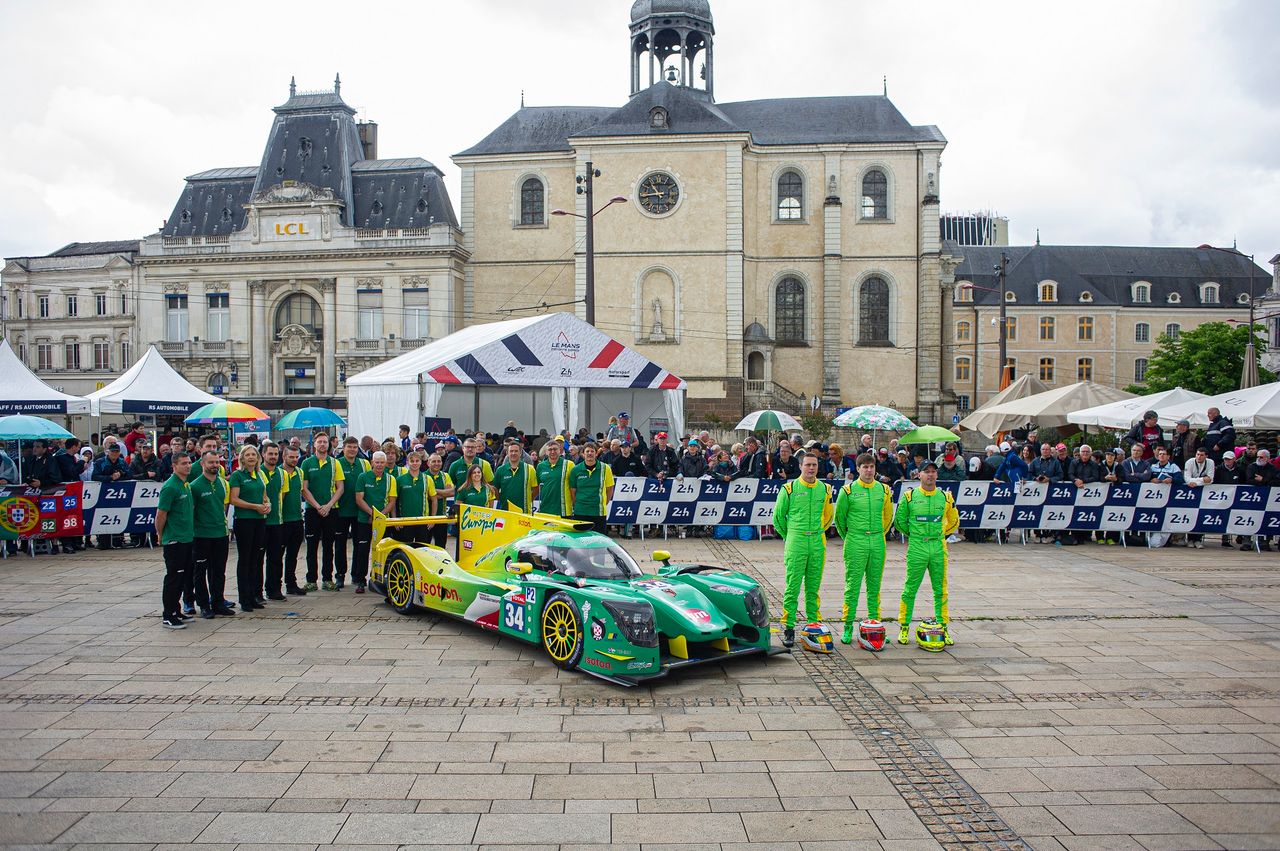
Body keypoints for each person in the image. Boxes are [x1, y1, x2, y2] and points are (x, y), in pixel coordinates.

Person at [894, 461, 959, 646]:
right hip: (917, 547)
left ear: (937, 475)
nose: (930, 475)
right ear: (918, 475)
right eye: (926, 472)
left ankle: (943, 627)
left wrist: (941, 535)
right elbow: (900, 522)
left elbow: (954, 520)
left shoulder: (945, 497)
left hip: (938, 547)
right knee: (910, 589)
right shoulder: (909, 496)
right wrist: (915, 535)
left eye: (933, 472)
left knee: (941, 590)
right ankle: (904, 627)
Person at [772, 454, 834, 648]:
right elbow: (778, 517)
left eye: (814, 465)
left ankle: (813, 625)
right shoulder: (789, 489)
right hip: (796, 541)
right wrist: (790, 535)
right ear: (800, 466)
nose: (811, 468)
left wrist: (817, 532)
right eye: (807, 465)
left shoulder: (825, 489)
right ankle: (789, 627)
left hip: (816, 541)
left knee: (813, 588)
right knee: (792, 587)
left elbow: (828, 516)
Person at [834, 453, 894, 645]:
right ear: (858, 469)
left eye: (871, 467)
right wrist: (851, 537)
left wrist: (877, 533)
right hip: (855, 540)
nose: (868, 471)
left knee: (874, 586)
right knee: (852, 586)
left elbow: (887, 518)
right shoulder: (848, 491)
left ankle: (874, 624)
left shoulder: (884, 490)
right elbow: (840, 520)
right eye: (865, 467)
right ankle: (847, 626)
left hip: (877, 540)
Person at [190, 450, 234, 619]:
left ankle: (218, 601)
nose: (215, 465)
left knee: (219, 570)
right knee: (200, 571)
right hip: (201, 535)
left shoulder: (223, 483)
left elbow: (224, 506)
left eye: (217, 462)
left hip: (220, 534)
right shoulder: (195, 486)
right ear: (202, 464)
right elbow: (191, 511)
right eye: (211, 462)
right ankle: (203, 604)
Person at [154, 450, 195, 630]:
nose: (187, 466)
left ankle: (176, 610)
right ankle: (168, 614)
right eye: (183, 463)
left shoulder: (185, 484)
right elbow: (161, 514)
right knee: (174, 576)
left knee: (183, 576)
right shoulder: (170, 486)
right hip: (175, 540)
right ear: (174, 466)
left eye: (188, 463)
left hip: (187, 537)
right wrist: (161, 535)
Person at [301, 432, 344, 592]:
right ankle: (311, 580)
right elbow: (304, 488)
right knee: (311, 547)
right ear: (314, 445)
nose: (322, 445)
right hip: (313, 511)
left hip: (331, 511)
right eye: (319, 442)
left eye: (325, 442)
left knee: (328, 546)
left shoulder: (335, 463)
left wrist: (328, 505)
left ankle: (327, 579)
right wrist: (318, 506)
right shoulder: (306, 463)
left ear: (329, 445)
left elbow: (340, 488)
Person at [229, 444, 270, 611]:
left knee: (256, 559)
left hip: (259, 519)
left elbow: (264, 495)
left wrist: (267, 504)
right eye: (248, 455)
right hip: (245, 520)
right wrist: (255, 506)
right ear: (242, 458)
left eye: (254, 454)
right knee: (245, 560)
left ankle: (253, 595)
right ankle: (244, 598)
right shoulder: (238, 476)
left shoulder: (260, 475)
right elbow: (234, 499)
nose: (251, 457)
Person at [351, 450, 398, 593]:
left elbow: (392, 501)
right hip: (364, 520)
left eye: (382, 462)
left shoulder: (391, 479)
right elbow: (359, 499)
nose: (379, 465)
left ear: (386, 463)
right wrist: (372, 514)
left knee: (383, 551)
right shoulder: (363, 477)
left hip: (382, 521)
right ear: (372, 462)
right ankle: (360, 580)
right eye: (377, 462)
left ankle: (380, 579)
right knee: (362, 550)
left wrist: (379, 517)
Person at [260, 443, 288, 600]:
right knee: (257, 560)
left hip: (277, 522)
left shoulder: (282, 474)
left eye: (275, 454)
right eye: (270, 454)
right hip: (261, 522)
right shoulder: (257, 472)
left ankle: (274, 589)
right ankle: (256, 592)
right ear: (263, 454)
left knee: (276, 559)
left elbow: (281, 496)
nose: (273, 457)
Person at [567, 442, 615, 534]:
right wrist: (577, 504)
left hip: (598, 511)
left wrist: (603, 503)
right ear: (583, 454)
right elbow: (573, 491)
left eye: (592, 451)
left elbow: (609, 489)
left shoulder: (605, 469)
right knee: (581, 541)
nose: (589, 453)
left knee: (599, 540)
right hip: (581, 511)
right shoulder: (575, 470)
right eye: (587, 451)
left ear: (596, 453)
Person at [92, 444, 131, 549]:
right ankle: (103, 541)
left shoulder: (122, 462)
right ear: (108, 452)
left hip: (120, 494)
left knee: (119, 515)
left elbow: (130, 475)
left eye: (116, 452)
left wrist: (120, 475)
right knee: (103, 516)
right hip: (103, 494)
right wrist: (110, 477)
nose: (114, 454)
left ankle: (119, 540)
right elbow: (94, 476)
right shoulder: (100, 462)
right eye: (112, 452)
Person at [279, 446, 306, 595]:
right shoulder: (279, 473)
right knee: (277, 556)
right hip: (282, 520)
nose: (295, 460)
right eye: (291, 457)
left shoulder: (299, 472)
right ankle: (275, 585)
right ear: (284, 456)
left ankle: (291, 583)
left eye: (296, 457)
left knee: (293, 555)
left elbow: (303, 491)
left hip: (296, 519)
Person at [394, 450, 437, 545]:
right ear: (407, 462)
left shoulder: (427, 479)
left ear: (421, 462)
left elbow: (434, 500)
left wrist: (433, 519)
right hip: (404, 522)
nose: (414, 463)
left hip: (423, 521)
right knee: (405, 551)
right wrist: (395, 520)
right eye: (412, 461)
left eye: (417, 461)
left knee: (423, 550)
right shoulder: (400, 479)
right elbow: (393, 501)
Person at [1243, 450, 1275, 551]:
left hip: (1267, 498)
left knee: (1267, 518)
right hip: (1251, 497)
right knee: (1248, 517)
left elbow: (1277, 481)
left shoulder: (1272, 468)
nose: (1258, 459)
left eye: (1261, 457)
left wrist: (1262, 480)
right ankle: (1246, 541)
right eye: (1258, 457)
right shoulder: (1252, 467)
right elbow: (1249, 480)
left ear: (1267, 458)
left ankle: (1264, 542)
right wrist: (1265, 482)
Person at [493, 442, 537, 514]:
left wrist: (529, 500)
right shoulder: (500, 470)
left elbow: (536, 488)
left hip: (525, 512)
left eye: (516, 451)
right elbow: (495, 488)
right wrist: (502, 500)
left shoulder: (530, 469)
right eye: (511, 451)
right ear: (507, 453)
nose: (513, 453)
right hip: (506, 511)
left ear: (520, 453)